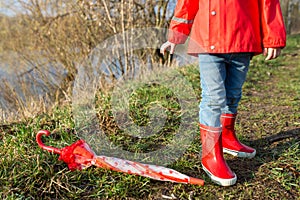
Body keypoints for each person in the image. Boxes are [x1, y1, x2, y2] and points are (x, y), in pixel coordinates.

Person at [160, 0, 286, 186]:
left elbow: (269, 3)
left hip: (244, 37)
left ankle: (227, 137)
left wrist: (273, 37)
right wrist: (175, 35)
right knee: (213, 98)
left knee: (233, 94)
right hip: (209, 41)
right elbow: (187, 4)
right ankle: (211, 154)